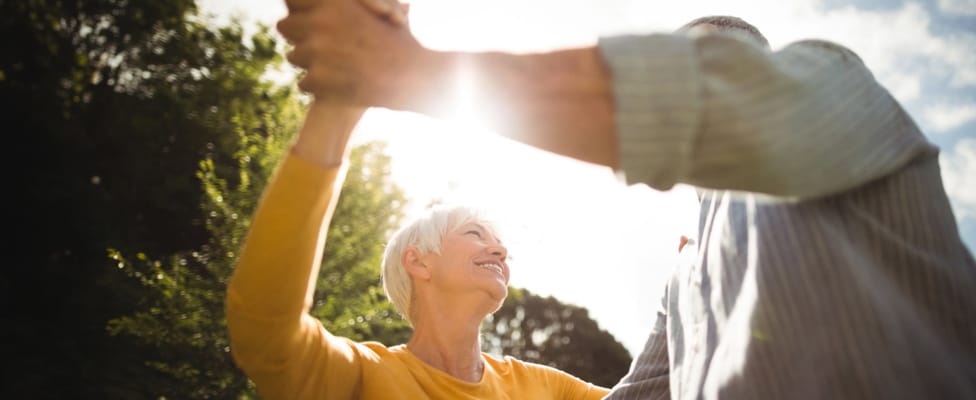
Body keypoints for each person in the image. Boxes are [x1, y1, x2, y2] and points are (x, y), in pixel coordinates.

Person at [276, 2, 976, 399]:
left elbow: (694, 101)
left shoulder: (837, 85)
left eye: (707, 60)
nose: (497, 247)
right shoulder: (686, 276)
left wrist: (405, 70)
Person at [224, 104, 610, 397]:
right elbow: (265, 331)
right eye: (475, 233)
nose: (500, 250)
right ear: (418, 261)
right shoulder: (363, 376)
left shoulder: (543, 387)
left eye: (498, 242)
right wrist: (333, 117)